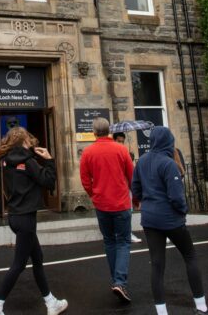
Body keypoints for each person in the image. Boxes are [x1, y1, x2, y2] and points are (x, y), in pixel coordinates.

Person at [0, 127, 68, 315]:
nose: (31, 141)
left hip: (15, 216)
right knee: (19, 265)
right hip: (26, 219)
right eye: (29, 138)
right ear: (23, 141)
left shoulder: (7, 161)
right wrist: (49, 159)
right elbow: (48, 181)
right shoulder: (28, 162)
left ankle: (51, 302)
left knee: (37, 258)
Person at [131, 126, 208, 315]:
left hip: (149, 219)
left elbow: (135, 188)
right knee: (190, 256)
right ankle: (201, 307)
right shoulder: (168, 164)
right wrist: (183, 211)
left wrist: (144, 201)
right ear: (168, 141)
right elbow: (176, 196)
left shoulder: (141, 162)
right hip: (170, 219)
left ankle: (162, 312)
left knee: (157, 265)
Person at [79, 117, 135, 303]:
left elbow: (85, 180)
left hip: (102, 204)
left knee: (110, 241)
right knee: (124, 241)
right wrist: (136, 197)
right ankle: (119, 282)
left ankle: (116, 281)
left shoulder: (87, 153)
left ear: (94, 132)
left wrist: (94, 195)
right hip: (121, 203)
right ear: (109, 131)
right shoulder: (121, 149)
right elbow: (131, 176)